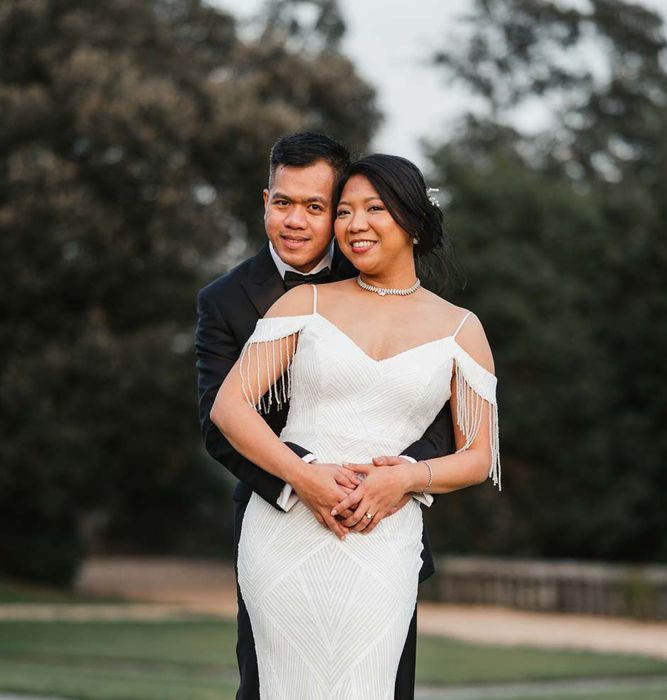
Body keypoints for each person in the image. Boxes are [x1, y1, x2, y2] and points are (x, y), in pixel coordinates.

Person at [210, 153, 500, 699]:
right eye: (344, 212)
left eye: (374, 209)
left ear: (413, 220)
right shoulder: (305, 302)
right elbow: (230, 409)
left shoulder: (463, 330)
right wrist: (303, 476)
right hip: (286, 534)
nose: (354, 225)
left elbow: (478, 455)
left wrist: (408, 478)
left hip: (384, 538)